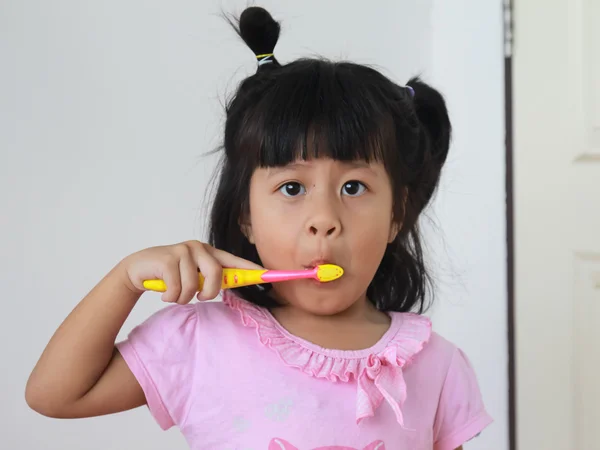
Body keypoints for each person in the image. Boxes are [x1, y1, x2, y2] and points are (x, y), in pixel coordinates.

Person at [26, 6, 493, 449]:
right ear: (245, 215)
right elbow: (54, 395)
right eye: (292, 188)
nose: (325, 221)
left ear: (396, 214)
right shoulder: (199, 342)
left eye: (353, 187)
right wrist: (125, 279)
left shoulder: (438, 366)